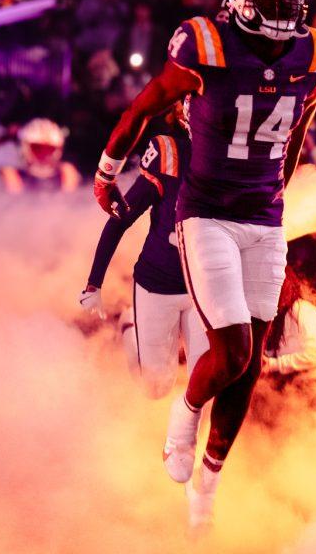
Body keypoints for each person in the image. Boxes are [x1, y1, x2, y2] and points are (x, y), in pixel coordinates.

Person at [91, 0, 316, 530]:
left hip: (263, 218)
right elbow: (144, 107)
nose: (283, 6)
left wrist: (278, 190)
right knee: (233, 351)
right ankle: (184, 410)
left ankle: (209, 483)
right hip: (206, 213)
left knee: (246, 368)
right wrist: (107, 169)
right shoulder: (206, 44)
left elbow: (296, 130)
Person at [80, 106, 210, 473]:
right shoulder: (168, 151)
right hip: (159, 283)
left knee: (206, 383)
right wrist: (95, 281)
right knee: (156, 387)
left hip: (205, 288)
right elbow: (123, 216)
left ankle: (181, 450)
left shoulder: (233, 152)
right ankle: (129, 327)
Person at [0, 118, 81, 193]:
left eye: (49, 150)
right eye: (37, 149)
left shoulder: (66, 174)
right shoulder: (11, 173)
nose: (43, 155)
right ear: (24, 148)